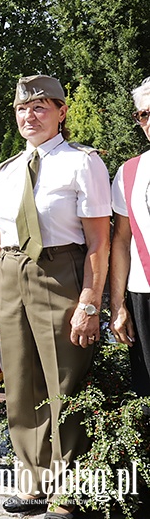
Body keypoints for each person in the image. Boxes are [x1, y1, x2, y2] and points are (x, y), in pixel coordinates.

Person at [0, 75, 111, 517]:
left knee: (65, 384)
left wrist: (90, 301)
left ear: (61, 112)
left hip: (61, 272)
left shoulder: (83, 162)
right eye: (22, 109)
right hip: (10, 273)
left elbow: (99, 241)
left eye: (39, 107)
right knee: (20, 383)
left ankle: (71, 490)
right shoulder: (8, 170)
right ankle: (33, 482)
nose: (29, 116)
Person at [111, 76, 150, 398]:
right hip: (143, 297)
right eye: (143, 114)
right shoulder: (129, 172)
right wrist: (119, 305)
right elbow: (120, 241)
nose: (149, 121)